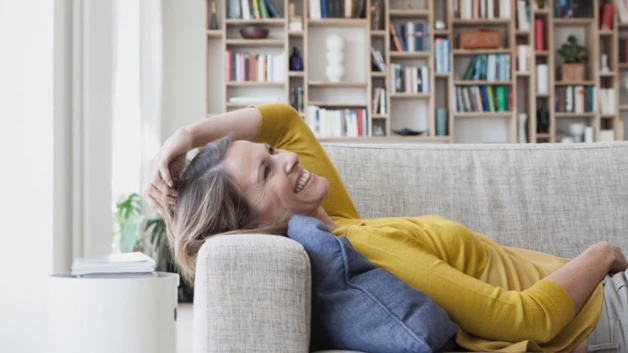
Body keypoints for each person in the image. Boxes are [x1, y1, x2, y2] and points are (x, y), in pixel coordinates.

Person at [143, 103, 628, 353]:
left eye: (269, 153)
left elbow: (285, 121)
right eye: (266, 171)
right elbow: (525, 318)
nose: (286, 157)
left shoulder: (337, 219)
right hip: (602, 311)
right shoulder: (360, 243)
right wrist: (605, 253)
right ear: (250, 226)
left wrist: (186, 136)